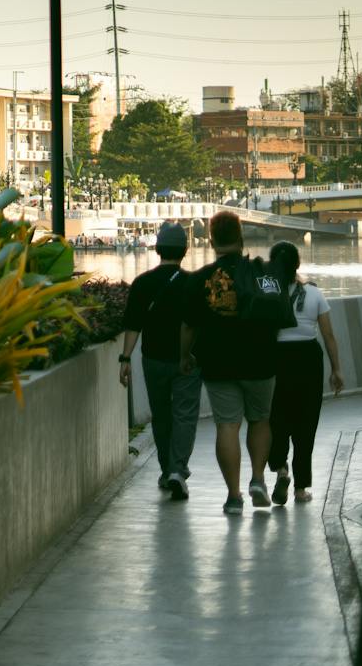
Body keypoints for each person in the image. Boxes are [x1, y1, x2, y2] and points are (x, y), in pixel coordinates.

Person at [179, 211, 293, 514]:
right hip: (261, 360)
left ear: (213, 240)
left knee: (227, 425)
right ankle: (258, 479)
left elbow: (189, 326)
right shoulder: (261, 273)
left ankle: (233, 496)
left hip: (219, 363)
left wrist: (184, 356)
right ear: (240, 237)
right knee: (260, 419)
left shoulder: (201, 278)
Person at [119, 221, 199, 500]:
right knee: (186, 415)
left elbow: (133, 325)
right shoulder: (193, 283)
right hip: (187, 360)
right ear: (184, 251)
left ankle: (167, 470)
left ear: (157, 249)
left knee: (161, 415)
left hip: (153, 359)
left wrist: (125, 358)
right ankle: (178, 469)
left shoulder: (142, 283)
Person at [265, 241, 345, 504]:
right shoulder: (314, 293)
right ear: (297, 264)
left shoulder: (268, 294)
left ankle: (280, 468)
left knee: (276, 419)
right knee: (305, 424)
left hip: (277, 359)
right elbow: (329, 335)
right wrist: (336, 369)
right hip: (309, 359)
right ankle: (300, 489)